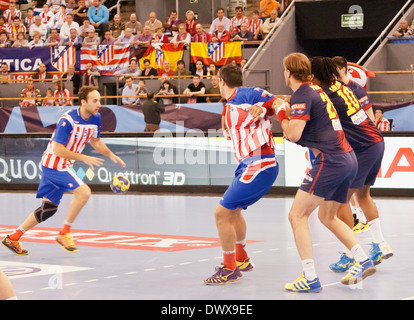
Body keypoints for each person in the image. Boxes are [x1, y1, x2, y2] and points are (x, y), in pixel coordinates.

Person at [279, 53, 375, 292]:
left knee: (296, 216)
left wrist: (281, 115)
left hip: (329, 160)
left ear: (288, 72)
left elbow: (293, 134)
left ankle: (310, 277)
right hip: (347, 158)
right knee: (326, 217)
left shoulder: (302, 93)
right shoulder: (315, 90)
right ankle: (363, 259)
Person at [2, 86, 126, 255]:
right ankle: (64, 233)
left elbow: (95, 141)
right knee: (84, 193)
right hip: (54, 165)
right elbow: (58, 150)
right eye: (95, 101)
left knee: (48, 209)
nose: (99, 104)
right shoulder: (67, 120)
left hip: (64, 165)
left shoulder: (96, 118)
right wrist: (84, 158)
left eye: (99, 101)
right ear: (83, 102)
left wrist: (111, 155)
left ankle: (13, 238)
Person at [309, 56, 393, 273]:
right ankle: (380, 244)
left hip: (363, 148)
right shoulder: (344, 86)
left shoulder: (325, 95)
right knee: (362, 196)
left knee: (339, 201)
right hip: (375, 141)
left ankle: (351, 254)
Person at [204, 64, 279, 285]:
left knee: (221, 213)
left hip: (260, 163)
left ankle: (229, 268)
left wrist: (265, 109)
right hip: (247, 164)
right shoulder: (228, 104)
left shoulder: (246, 94)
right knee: (234, 212)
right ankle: (242, 258)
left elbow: (280, 102)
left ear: (221, 81)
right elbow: (231, 117)